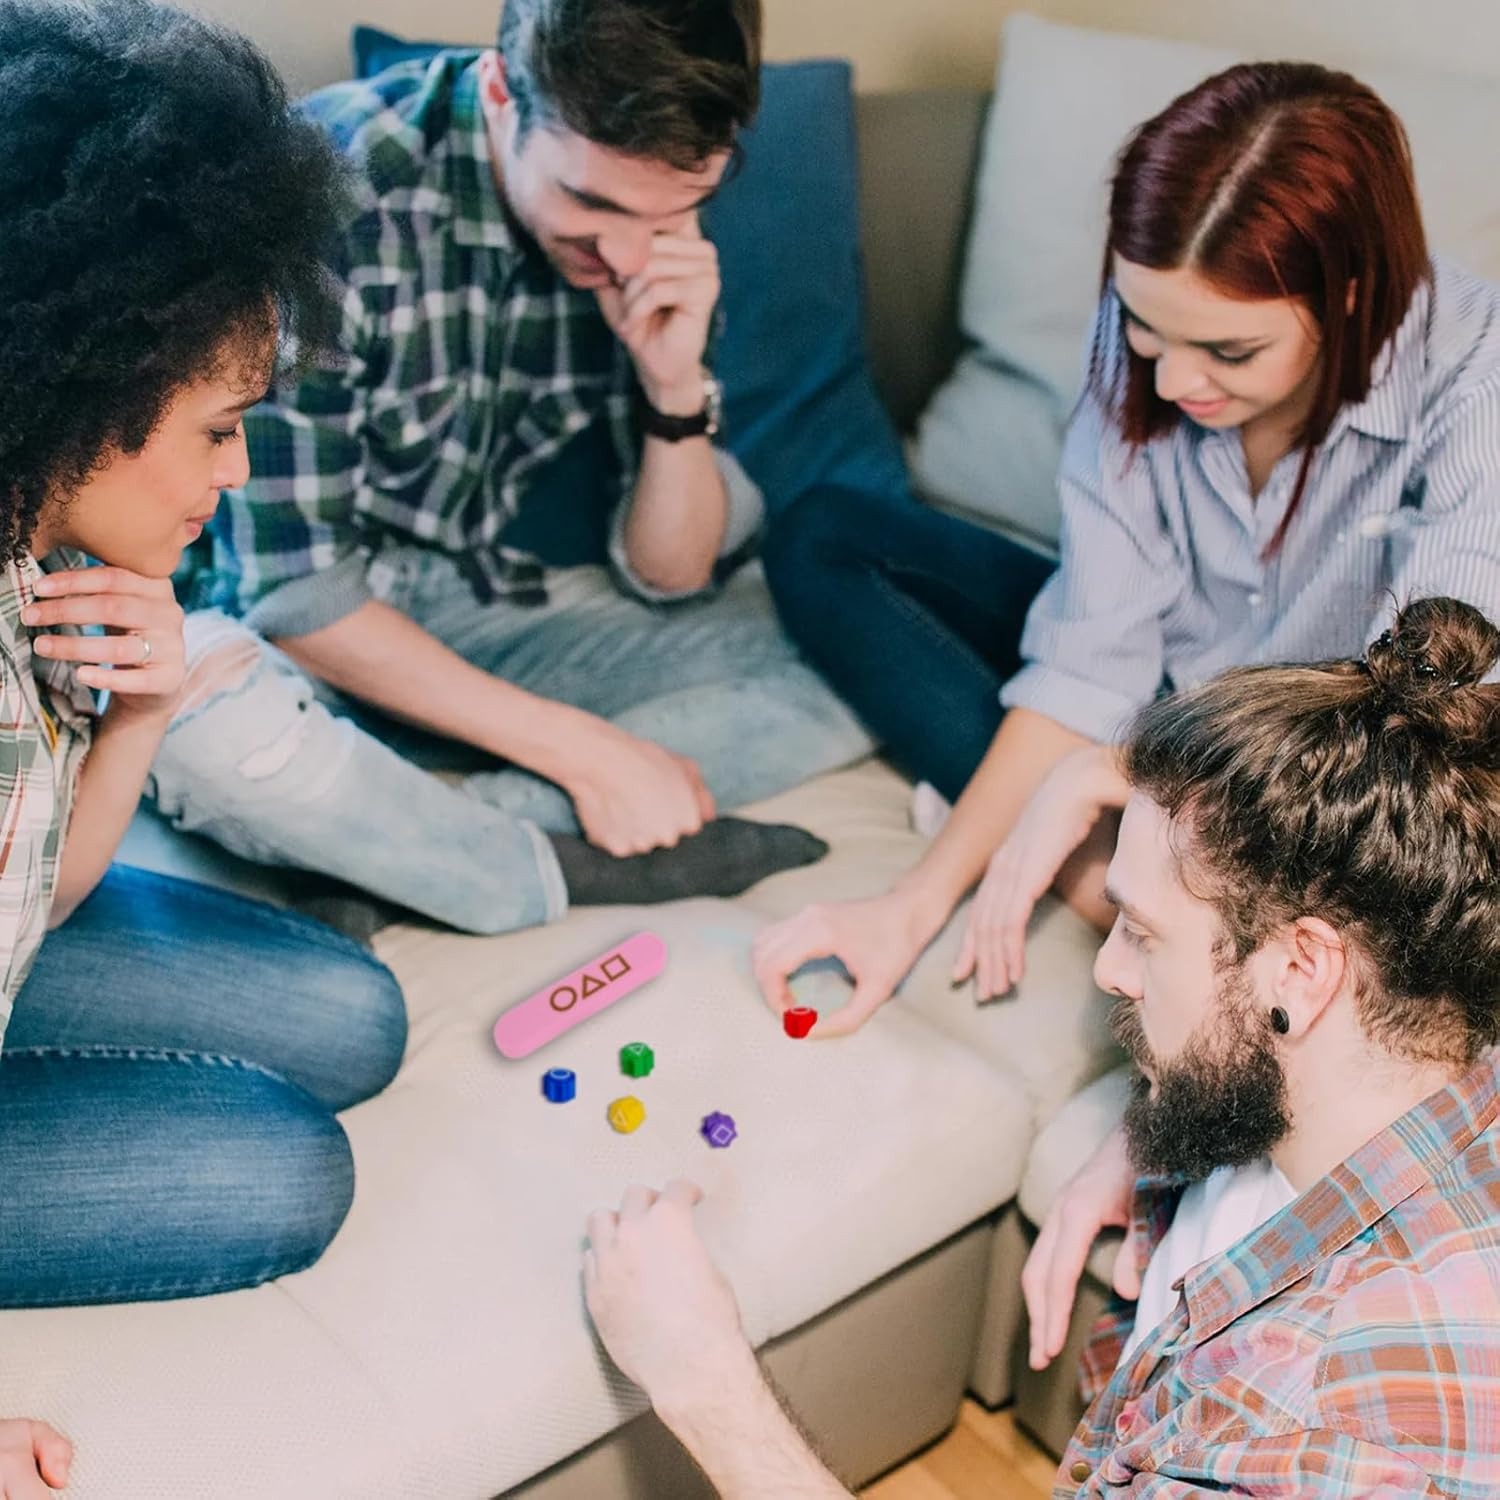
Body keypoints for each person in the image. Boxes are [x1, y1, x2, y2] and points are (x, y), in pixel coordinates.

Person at [583, 595, 1500, 1497]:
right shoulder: (1407, 1044)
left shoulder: (1314, 1435)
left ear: (1302, 970)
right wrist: (1152, 1131)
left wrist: (699, 1374)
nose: (1108, 969)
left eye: (1141, 933)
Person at [754, 60, 1500, 1035]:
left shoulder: (1476, 375)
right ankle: (1116, 875)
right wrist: (909, 907)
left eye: (1230, 353)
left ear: (1354, 298)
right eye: (1147, 329)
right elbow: (1087, 658)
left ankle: (1137, 885)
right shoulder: (1143, 336)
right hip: (1163, 697)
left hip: (1323, 774)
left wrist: (1116, 774)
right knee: (823, 536)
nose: (1176, 377)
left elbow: (1415, 730)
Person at [144, 0, 871, 940]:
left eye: (670, 212)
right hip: (284, 633)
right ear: (500, 92)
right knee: (200, 733)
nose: (626, 253)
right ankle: (532, 863)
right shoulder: (330, 189)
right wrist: (582, 750)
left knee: (844, 652)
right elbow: (291, 592)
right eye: (592, 204)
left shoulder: (652, 229)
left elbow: (673, 571)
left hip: (467, 600)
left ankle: (401, 848)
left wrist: (673, 384)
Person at [0, 0, 410, 1483]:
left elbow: (32, 888)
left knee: (360, 1016)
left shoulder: (42, 550)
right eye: (220, 428)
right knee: (287, 1166)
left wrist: (144, 712)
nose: (233, 478)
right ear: (91, 386)